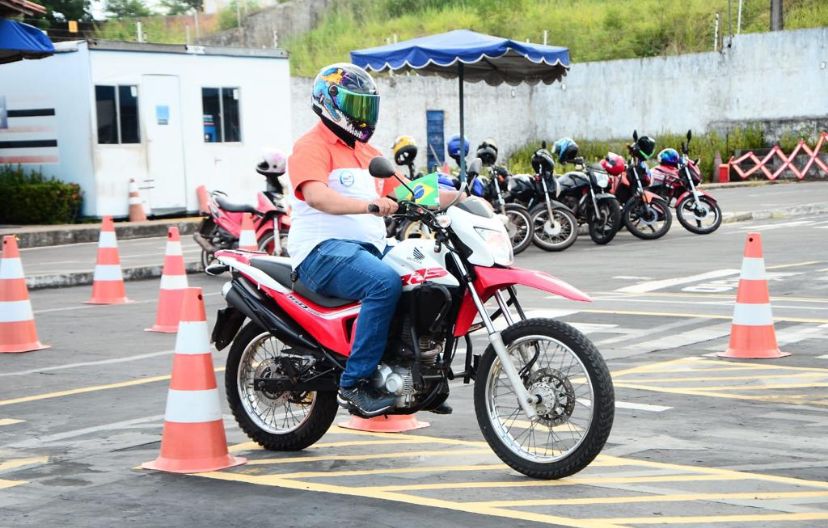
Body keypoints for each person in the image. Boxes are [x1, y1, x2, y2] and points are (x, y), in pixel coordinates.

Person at [287, 63, 459, 417]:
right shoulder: (311, 146)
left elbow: (410, 193)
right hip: (321, 251)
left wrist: (462, 197)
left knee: (430, 276)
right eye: (357, 105)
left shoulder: (368, 153)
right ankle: (354, 384)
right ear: (331, 103)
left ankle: (420, 375)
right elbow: (317, 196)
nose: (364, 115)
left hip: (369, 249)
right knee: (383, 283)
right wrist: (369, 205)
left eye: (368, 106)